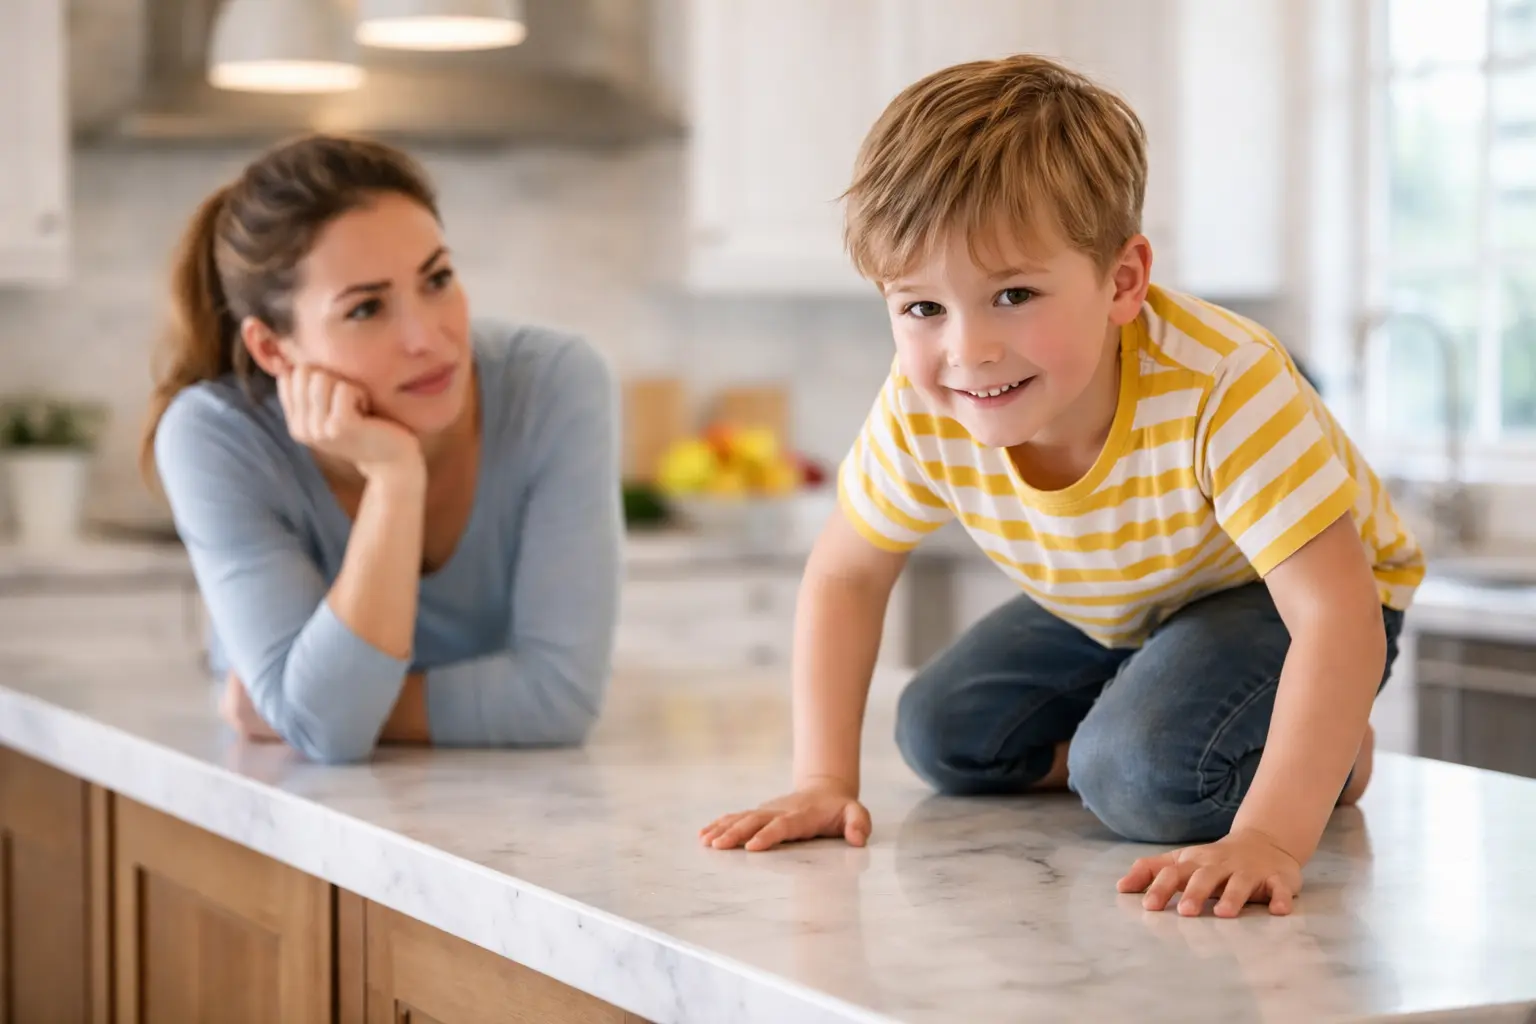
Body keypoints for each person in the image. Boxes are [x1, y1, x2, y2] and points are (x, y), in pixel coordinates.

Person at [699, 55, 1424, 919]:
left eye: (1012, 294)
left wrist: (1268, 834)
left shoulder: (1224, 382)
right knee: (941, 734)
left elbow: (1335, 618)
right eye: (922, 308)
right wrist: (820, 779)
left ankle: (1326, 752)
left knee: (1138, 777)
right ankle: (1166, 720)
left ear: (1122, 282)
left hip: (1280, 596)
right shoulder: (924, 405)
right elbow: (847, 574)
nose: (967, 351)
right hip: (1124, 600)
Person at [142, 134, 622, 764]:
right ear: (272, 349)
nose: (429, 337)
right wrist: (396, 479)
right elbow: (326, 735)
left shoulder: (555, 381)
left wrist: (314, 707)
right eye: (367, 309)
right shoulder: (217, 436)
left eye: (438, 279)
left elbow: (556, 700)